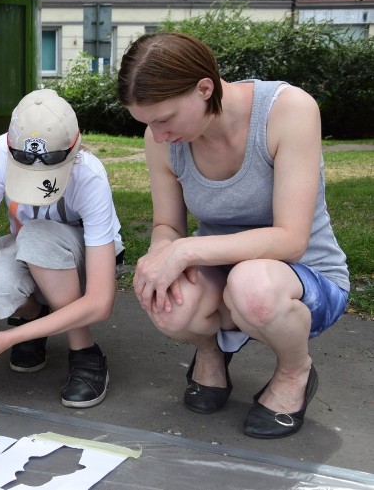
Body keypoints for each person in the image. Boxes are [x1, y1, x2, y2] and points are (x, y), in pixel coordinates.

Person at [117, 31, 349, 439]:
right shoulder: (163, 142)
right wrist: (160, 256)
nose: (157, 135)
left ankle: (295, 372)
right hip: (220, 273)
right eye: (148, 124)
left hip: (304, 278)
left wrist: (185, 251)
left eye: (164, 119)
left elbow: (291, 239)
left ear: (204, 88)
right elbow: (167, 226)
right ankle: (211, 353)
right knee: (166, 301)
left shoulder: (288, 111)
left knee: (252, 286)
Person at [0, 89, 125, 408]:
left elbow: (101, 301)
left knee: (36, 236)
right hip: (31, 254)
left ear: (74, 146)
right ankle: (38, 321)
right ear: (9, 144)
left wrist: (4, 339)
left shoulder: (89, 174)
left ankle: (85, 350)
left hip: (89, 265)